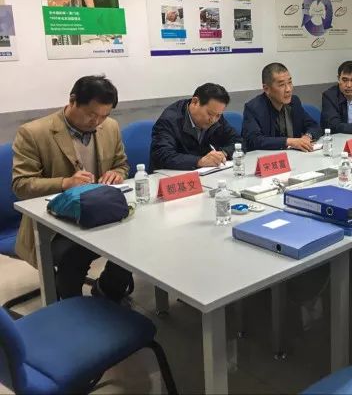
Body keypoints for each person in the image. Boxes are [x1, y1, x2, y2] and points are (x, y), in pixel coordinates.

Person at [12, 75, 132, 302]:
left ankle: (108, 291)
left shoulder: (110, 127)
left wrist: (117, 173)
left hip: (101, 212)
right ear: (73, 100)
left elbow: (121, 164)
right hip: (56, 223)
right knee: (76, 253)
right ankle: (72, 306)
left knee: (133, 239)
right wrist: (65, 183)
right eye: (91, 114)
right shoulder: (34, 133)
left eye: (104, 115)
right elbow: (22, 185)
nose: (97, 122)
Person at [150, 83, 241, 171]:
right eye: (209, 113)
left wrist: (223, 153)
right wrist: (200, 161)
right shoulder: (169, 120)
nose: (213, 120)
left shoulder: (216, 117)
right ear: (195, 102)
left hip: (206, 174)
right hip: (173, 176)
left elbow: (238, 141)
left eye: (218, 115)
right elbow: (163, 155)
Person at [242, 63, 322, 152]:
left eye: (290, 82)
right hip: (267, 157)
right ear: (266, 89)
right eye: (282, 85)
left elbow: (314, 126)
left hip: (295, 156)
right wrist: (289, 141)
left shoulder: (294, 102)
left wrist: (307, 137)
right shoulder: (253, 108)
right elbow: (254, 141)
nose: (288, 89)